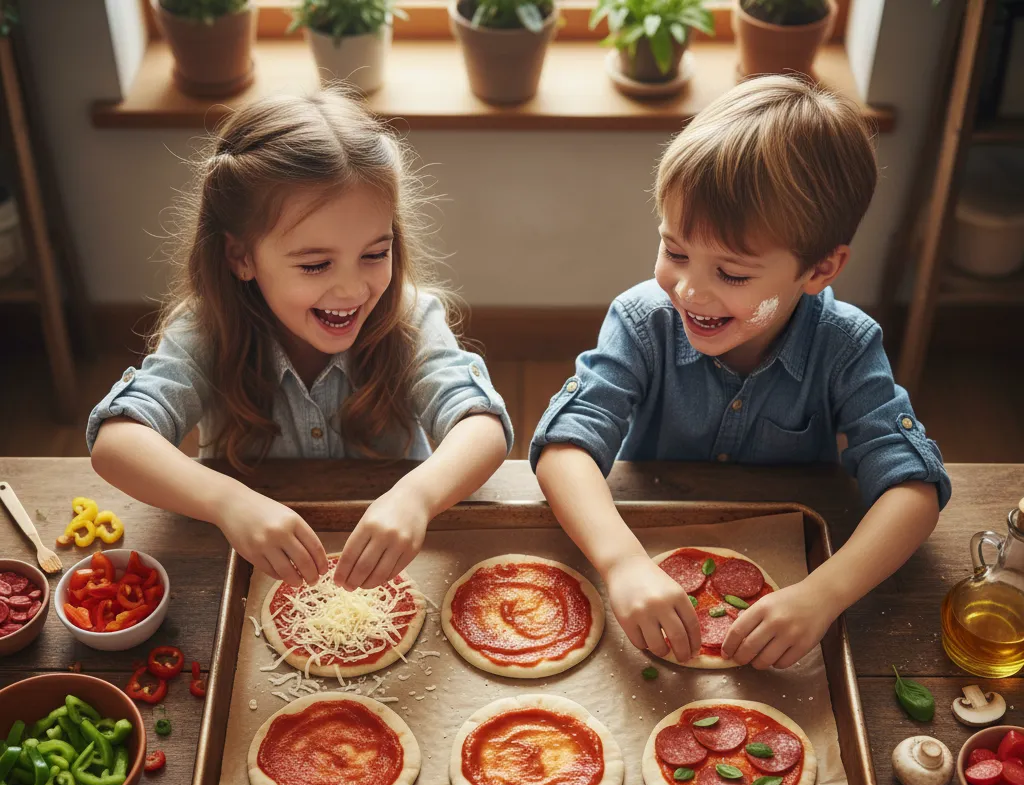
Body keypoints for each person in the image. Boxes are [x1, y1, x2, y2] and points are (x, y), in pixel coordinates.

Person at [531, 76, 950, 670]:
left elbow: (915, 491)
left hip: (797, 566)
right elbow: (564, 448)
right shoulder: (641, 320)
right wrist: (621, 560)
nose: (690, 289)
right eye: (675, 252)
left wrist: (823, 594)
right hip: (642, 541)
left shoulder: (847, 346)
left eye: (731, 274)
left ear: (820, 268)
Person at [89, 89, 512, 592]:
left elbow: (483, 427)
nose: (353, 289)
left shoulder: (410, 318)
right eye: (315, 264)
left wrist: (417, 496)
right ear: (240, 257)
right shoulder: (206, 330)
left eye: (376, 253)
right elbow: (115, 442)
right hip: (244, 571)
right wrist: (227, 502)